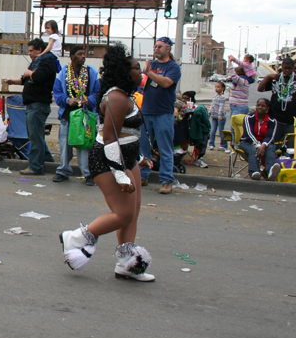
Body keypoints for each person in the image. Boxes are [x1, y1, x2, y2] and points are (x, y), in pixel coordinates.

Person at [59, 44, 155, 282]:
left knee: (132, 212)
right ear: (124, 71)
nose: (140, 71)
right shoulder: (116, 97)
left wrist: (139, 158)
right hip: (110, 160)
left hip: (126, 157)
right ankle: (77, 237)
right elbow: (110, 138)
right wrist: (121, 174)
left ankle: (126, 263)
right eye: (135, 67)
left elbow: (126, 133)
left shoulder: (125, 95)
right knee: (122, 214)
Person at [4, 38, 59, 176]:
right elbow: (24, 79)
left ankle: (35, 166)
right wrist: (12, 81)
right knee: (37, 136)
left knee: (35, 137)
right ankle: (48, 161)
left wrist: (30, 74)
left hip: (38, 105)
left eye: (31, 51)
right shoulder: (37, 62)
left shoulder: (47, 62)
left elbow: (38, 78)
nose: (29, 53)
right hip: (32, 105)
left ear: (39, 50)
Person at [52, 44, 100, 185]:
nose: (83, 56)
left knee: (85, 144)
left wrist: (88, 100)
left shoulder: (91, 72)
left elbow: (97, 93)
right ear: (72, 57)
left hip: (85, 115)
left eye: (84, 54)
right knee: (65, 144)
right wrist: (68, 100)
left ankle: (88, 173)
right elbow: (57, 94)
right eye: (80, 54)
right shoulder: (63, 74)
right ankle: (63, 170)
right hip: (68, 115)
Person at [138, 36, 181, 194]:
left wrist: (149, 73)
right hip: (146, 112)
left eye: (160, 47)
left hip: (163, 113)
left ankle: (166, 180)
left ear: (168, 49)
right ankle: (143, 175)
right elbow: (141, 83)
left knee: (165, 148)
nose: (156, 49)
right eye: (155, 46)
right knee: (143, 147)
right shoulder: (152, 64)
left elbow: (166, 83)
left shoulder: (173, 67)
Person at [258, 57, 296, 149]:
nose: (287, 70)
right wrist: (268, 77)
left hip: (293, 120)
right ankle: (275, 162)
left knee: (292, 148)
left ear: (294, 68)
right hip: (276, 119)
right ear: (282, 67)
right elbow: (260, 89)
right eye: (285, 68)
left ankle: (290, 163)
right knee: (275, 146)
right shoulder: (276, 79)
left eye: (290, 68)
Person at [237, 98, 281, 181]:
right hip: (247, 142)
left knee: (271, 148)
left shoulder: (272, 121)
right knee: (253, 150)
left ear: (268, 108)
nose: (260, 107)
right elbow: (249, 134)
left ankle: (270, 171)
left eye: (263, 106)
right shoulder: (249, 117)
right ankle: (254, 172)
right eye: (258, 105)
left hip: (265, 143)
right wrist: (258, 146)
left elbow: (270, 136)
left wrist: (263, 145)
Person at [181, 90, 210, 168]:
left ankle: (199, 157)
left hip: (191, 133)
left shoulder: (197, 110)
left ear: (191, 99)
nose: (183, 100)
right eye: (182, 98)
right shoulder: (180, 107)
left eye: (185, 98)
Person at [208, 81, 228, 151]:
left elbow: (221, 107)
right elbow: (212, 106)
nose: (217, 88)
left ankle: (224, 145)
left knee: (221, 131)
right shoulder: (214, 96)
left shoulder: (222, 97)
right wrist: (209, 113)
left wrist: (220, 115)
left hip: (220, 117)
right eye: (216, 86)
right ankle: (211, 144)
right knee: (212, 131)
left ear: (222, 88)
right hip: (214, 116)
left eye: (218, 87)